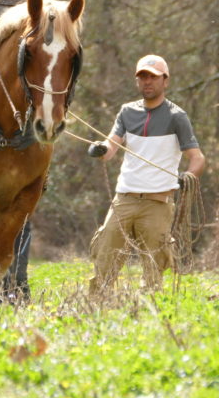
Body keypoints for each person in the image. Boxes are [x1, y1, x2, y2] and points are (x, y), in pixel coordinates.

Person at [86, 54, 206, 295]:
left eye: (152, 77)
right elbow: (110, 148)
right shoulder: (126, 112)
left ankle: (149, 315)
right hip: (124, 200)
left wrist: (189, 176)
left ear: (165, 81)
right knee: (104, 259)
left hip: (158, 203)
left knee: (153, 268)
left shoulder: (177, 117)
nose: (147, 82)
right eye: (142, 77)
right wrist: (99, 149)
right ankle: (96, 307)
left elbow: (198, 158)